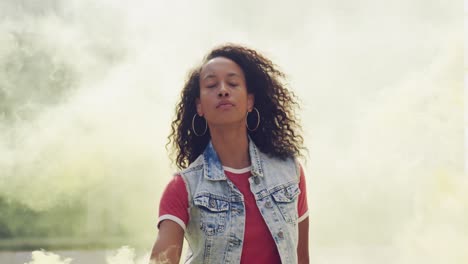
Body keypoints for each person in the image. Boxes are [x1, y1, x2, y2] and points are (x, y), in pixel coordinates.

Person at [150, 44, 309, 264]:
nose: (223, 90)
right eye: (211, 85)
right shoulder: (184, 187)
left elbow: (302, 259)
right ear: (199, 106)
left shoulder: (289, 171)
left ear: (250, 101)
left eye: (233, 83)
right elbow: (161, 260)